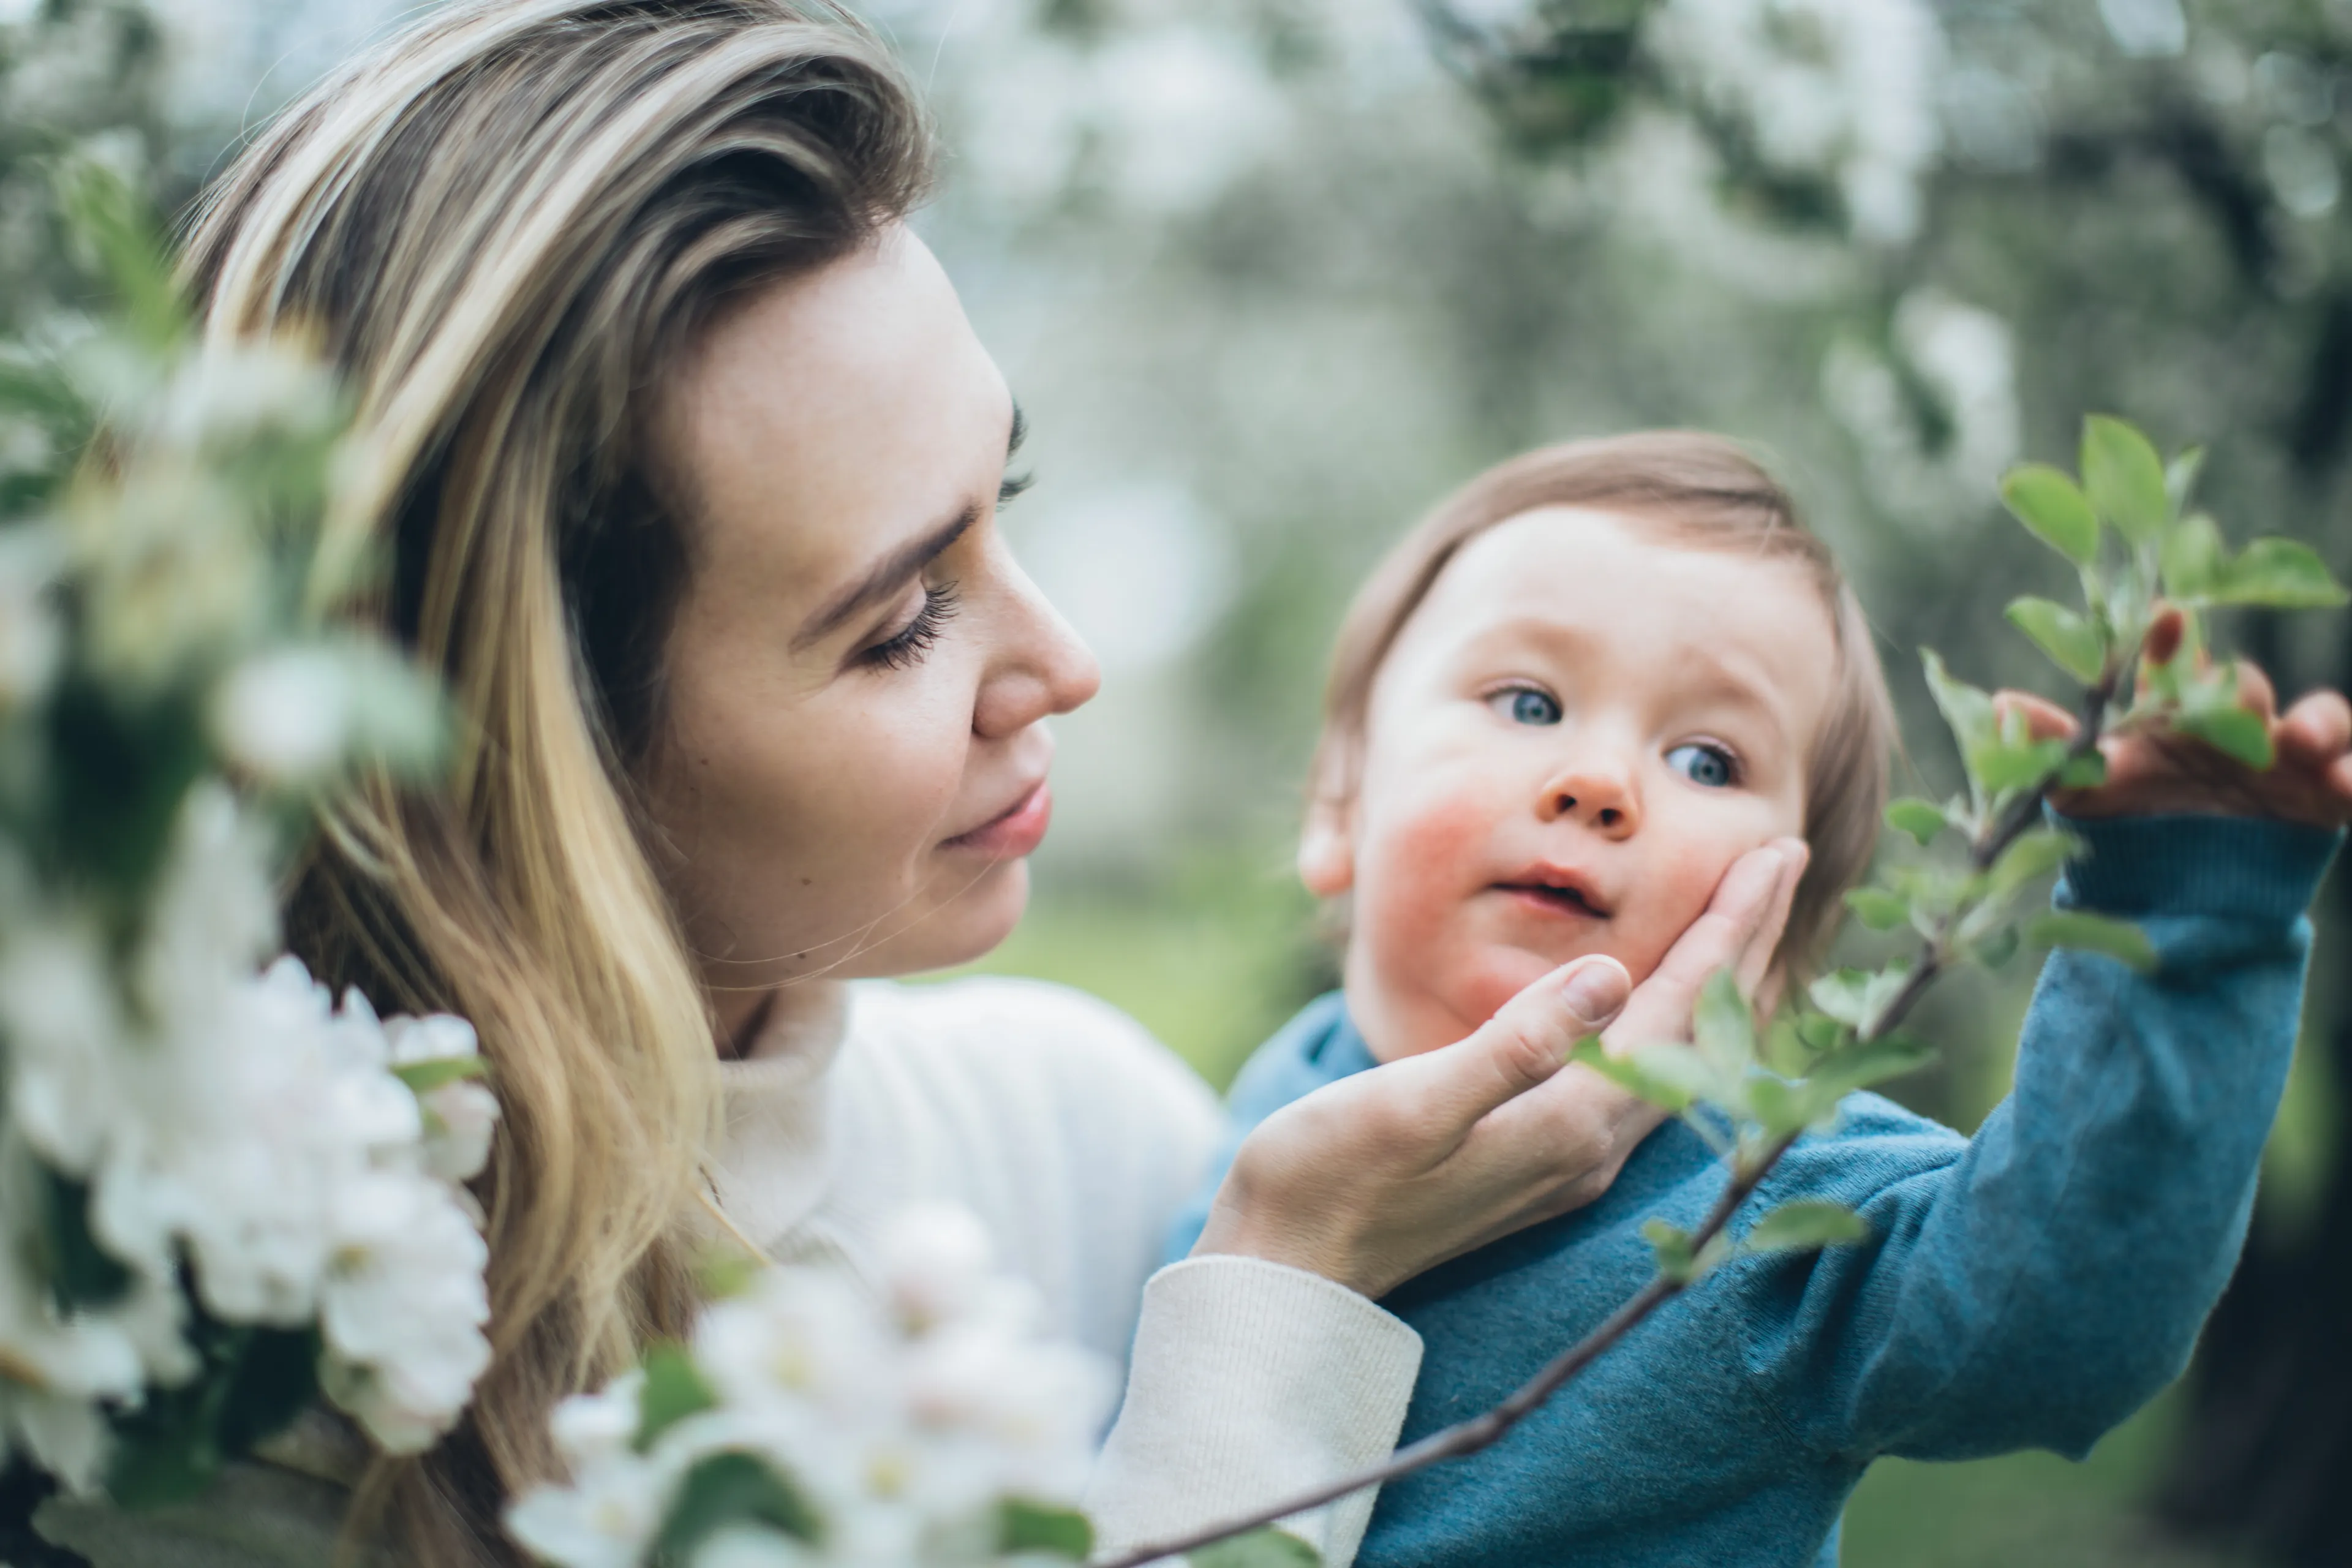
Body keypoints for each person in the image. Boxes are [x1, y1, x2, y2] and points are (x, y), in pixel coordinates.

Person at [27, 7, 1812, 1566]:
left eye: (1002, 512)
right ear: (531, 754)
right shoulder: (212, 1390)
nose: (1062, 667)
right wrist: (1293, 1294)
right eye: (899, 624)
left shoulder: (1097, 1150)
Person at [1167, 432, 2352, 1567]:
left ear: (1778, 945)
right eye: (1529, 702)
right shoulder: (1278, 1103)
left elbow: (2062, 1326)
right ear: (1338, 807)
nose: (1599, 782)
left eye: (1708, 762)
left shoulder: (1772, 1200)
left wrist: (2189, 917)